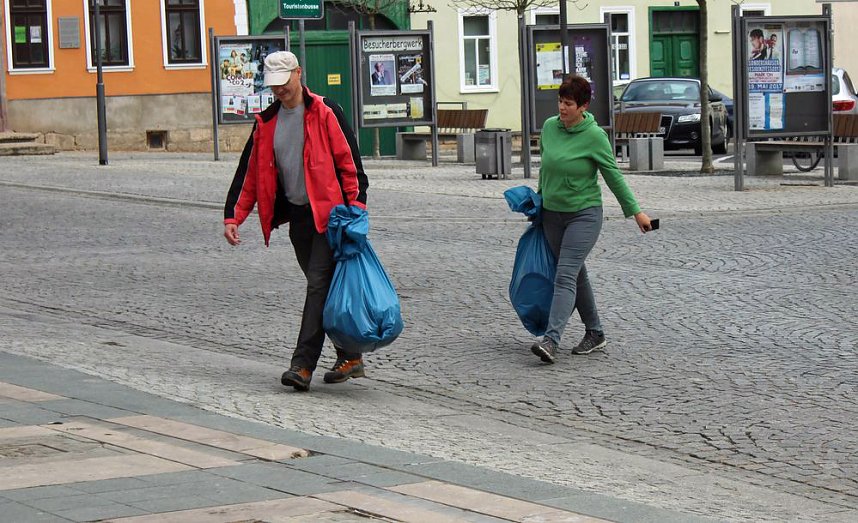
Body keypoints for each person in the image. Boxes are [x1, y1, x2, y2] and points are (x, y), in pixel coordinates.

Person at [223, 51, 369, 392]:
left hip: (332, 217)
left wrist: (356, 210)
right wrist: (235, 216)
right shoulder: (267, 122)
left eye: (283, 83)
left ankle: (302, 365)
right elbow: (250, 175)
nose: (279, 91)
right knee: (324, 288)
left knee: (318, 284)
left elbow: (350, 165)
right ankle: (350, 355)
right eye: (273, 86)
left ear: (298, 73)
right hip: (299, 216)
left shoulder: (325, 112)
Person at [530, 74, 653, 364]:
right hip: (552, 214)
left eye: (568, 103)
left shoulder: (594, 136)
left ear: (583, 106)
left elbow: (613, 175)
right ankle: (595, 333)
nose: (562, 108)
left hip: (584, 215)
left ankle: (551, 340)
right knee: (576, 273)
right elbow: (545, 170)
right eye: (560, 101)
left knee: (565, 275)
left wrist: (636, 212)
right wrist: (538, 202)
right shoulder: (549, 128)